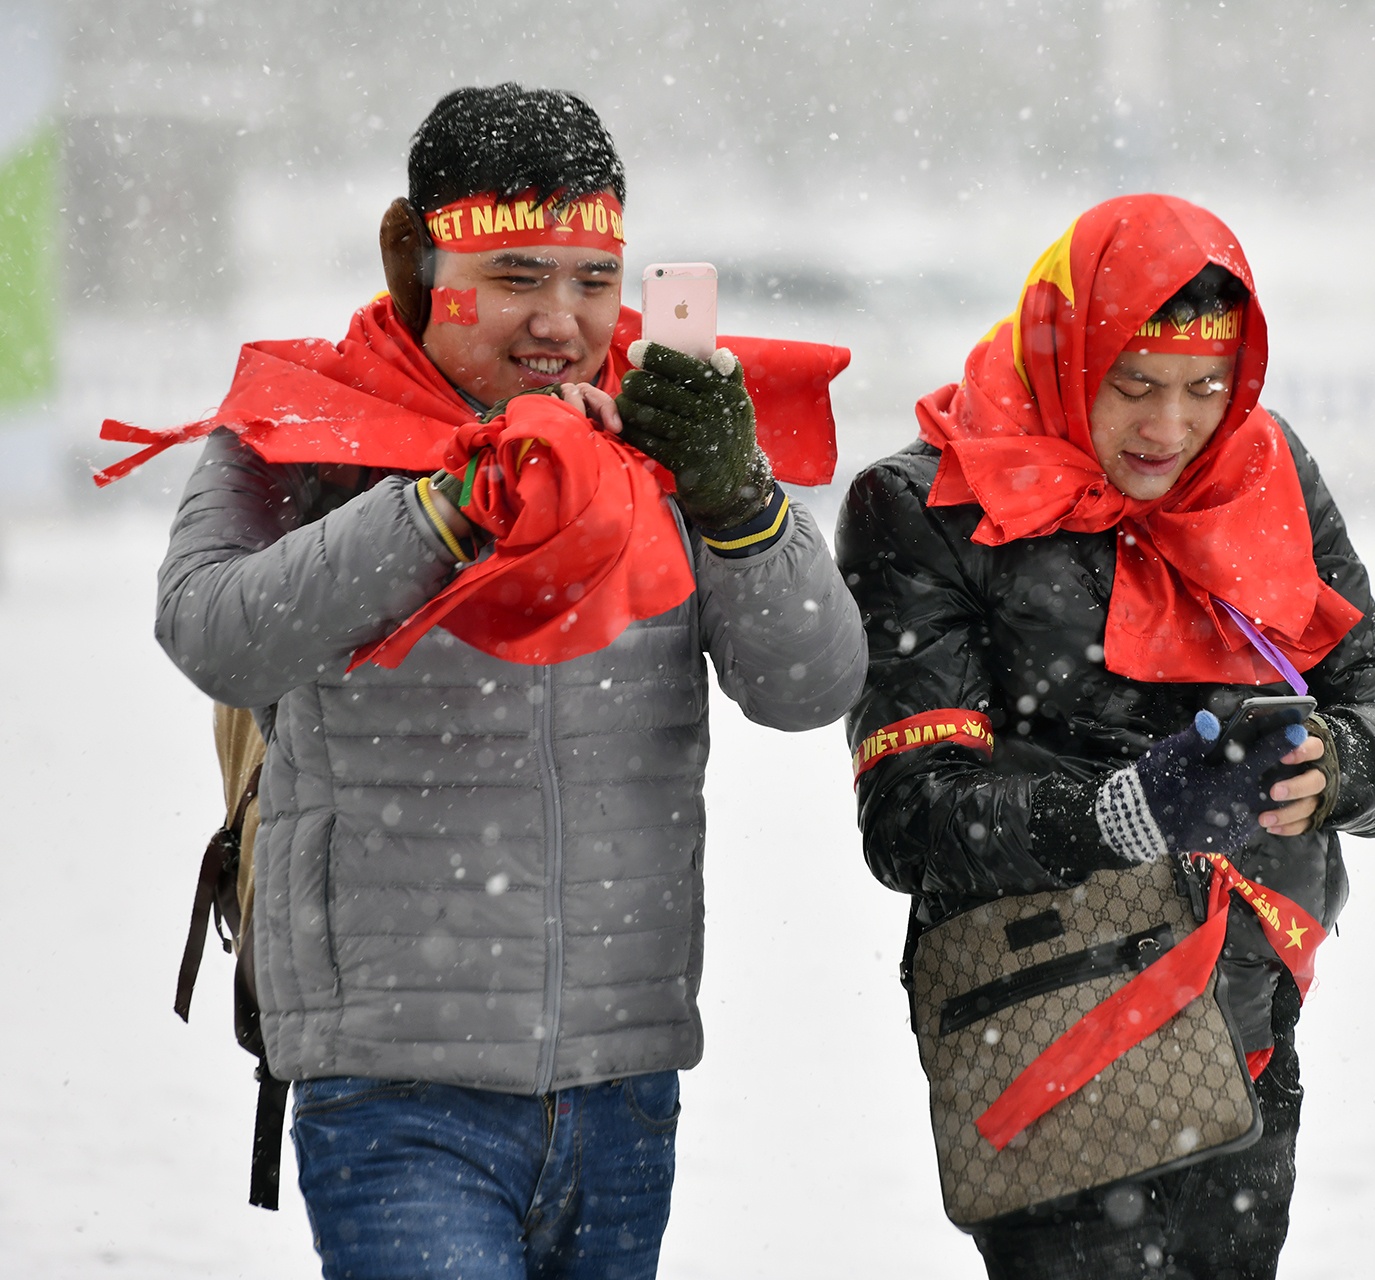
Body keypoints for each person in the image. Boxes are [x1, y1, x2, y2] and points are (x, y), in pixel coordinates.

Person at [147, 84, 866, 1279]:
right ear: (419, 265)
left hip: (620, 1078)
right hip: (391, 1078)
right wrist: (441, 502)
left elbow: (810, 681)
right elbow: (212, 630)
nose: (561, 321)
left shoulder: (666, 435)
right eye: (518, 276)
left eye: (594, 279)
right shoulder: (308, 427)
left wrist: (740, 500)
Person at [837, 194, 1375, 1279]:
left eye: (1207, 389)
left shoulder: (1263, 471)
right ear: (1068, 353)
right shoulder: (928, 503)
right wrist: (1123, 811)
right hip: (1044, 1019)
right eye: (1135, 385)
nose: (1170, 428)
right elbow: (908, 816)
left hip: (1244, 1014)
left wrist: (1335, 765)